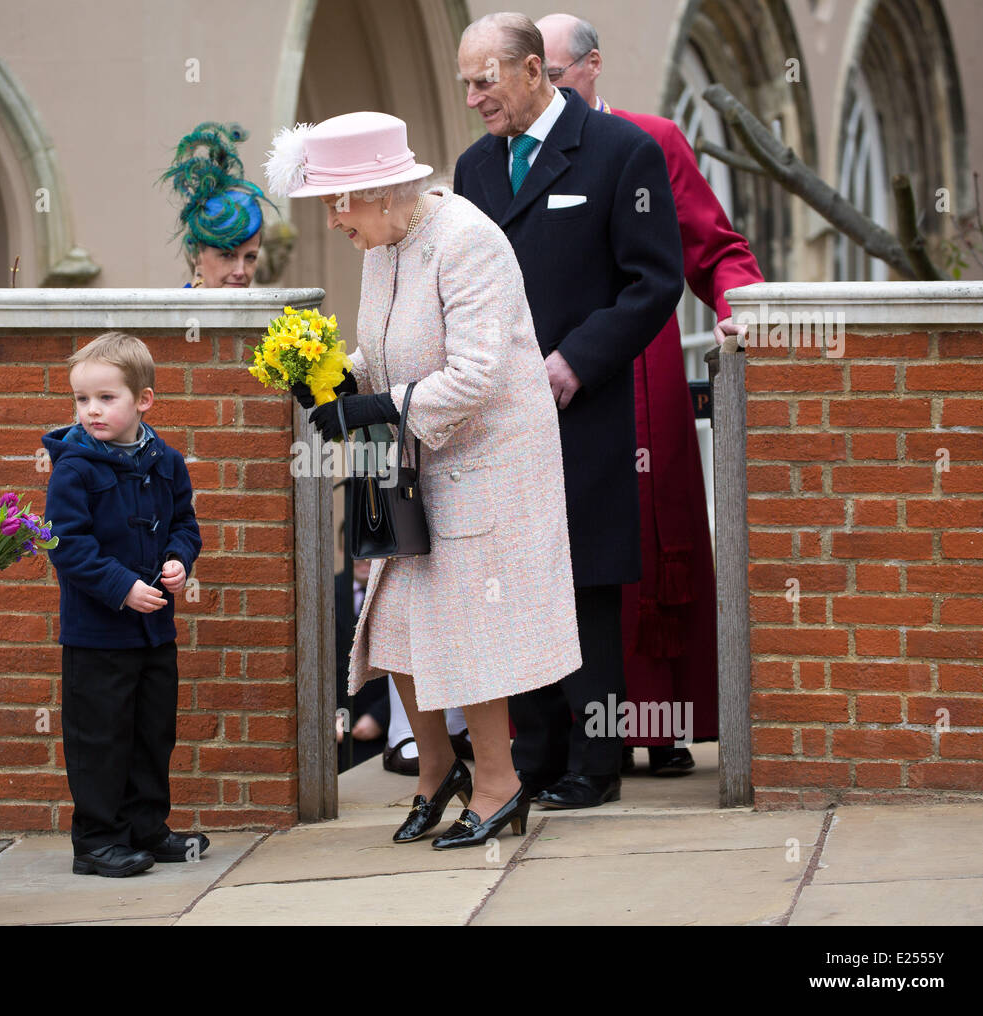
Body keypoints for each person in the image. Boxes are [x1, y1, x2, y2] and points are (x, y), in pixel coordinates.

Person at [266, 110, 582, 849]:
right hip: (416, 460)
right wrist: (337, 383)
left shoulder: (469, 241)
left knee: (470, 627)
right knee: (398, 618)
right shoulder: (384, 241)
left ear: (383, 189)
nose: (333, 218)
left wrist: (377, 407)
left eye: (339, 201)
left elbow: (477, 375)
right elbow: (387, 353)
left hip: (487, 462)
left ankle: (502, 784)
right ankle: (437, 767)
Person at [453, 13, 684, 809]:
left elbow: (654, 282)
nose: (476, 98)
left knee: (585, 587)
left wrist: (577, 360)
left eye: (486, 81)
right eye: (466, 84)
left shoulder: (623, 152)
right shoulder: (474, 169)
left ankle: (595, 763)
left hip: (580, 411)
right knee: (515, 584)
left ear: (531, 71)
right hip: (496, 420)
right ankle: (538, 759)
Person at [538, 13, 765, 775]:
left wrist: (745, 315)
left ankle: (656, 723)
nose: (543, 92)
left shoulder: (652, 141)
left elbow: (715, 250)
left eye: (557, 76)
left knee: (639, 548)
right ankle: (574, 736)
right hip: (544, 382)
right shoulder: (509, 157)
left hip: (635, 370)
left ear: (592, 68)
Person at [43, 332, 204, 877]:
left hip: (155, 631)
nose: (91, 410)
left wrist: (180, 559)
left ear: (144, 400)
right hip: (97, 635)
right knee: (100, 737)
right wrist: (120, 587)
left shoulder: (167, 462)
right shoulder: (73, 468)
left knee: (151, 731)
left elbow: (185, 524)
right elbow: (66, 544)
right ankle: (96, 841)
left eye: (106, 398)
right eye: (82, 400)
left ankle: (145, 829)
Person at [162, 122, 274, 288]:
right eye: (227, 255)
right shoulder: (175, 314)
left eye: (250, 257)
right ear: (196, 254)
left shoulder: (265, 314)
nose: (240, 271)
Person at [335, 555, 388, 771]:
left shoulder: (394, 592)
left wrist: (380, 716)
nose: (365, 560)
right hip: (339, 727)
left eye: (371, 553)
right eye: (357, 553)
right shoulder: (327, 591)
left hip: (383, 731)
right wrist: (337, 714)